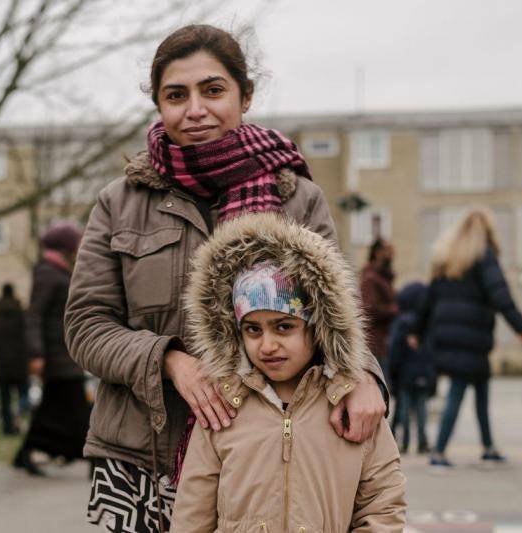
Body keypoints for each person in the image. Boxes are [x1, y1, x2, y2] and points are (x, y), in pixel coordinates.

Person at [64, 25, 389, 532]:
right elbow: (85, 326)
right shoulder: (119, 202)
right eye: (176, 95)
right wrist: (169, 361)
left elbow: (332, 313)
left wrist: (365, 377)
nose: (195, 110)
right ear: (158, 104)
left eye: (212, 90)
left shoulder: (296, 198)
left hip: (261, 459)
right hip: (141, 456)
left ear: (245, 95)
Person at [171, 212, 406, 532]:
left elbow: (383, 505)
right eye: (253, 330)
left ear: (316, 327)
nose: (267, 345)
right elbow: (192, 513)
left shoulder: (352, 406)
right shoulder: (224, 409)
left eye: (284, 327)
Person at [411, 208, 522, 468]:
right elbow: (500, 294)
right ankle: (439, 451)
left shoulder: (447, 258)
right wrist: (520, 326)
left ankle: (488, 446)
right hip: (471, 336)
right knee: (458, 391)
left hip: (450, 335)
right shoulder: (484, 256)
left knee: (481, 389)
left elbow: (429, 299)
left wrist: (417, 331)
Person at [13, 223, 90, 476]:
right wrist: (36, 354)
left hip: (64, 355)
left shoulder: (58, 271)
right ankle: (94, 458)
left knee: (52, 410)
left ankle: (26, 453)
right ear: (65, 248)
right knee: (76, 410)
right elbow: (34, 316)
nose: (78, 249)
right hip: (57, 357)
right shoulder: (48, 273)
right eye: (75, 245)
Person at [388, 282, 436, 455]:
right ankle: (422, 441)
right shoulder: (426, 324)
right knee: (422, 409)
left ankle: (405, 442)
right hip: (422, 373)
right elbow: (432, 353)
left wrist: (393, 373)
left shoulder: (400, 323)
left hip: (404, 375)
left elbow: (393, 351)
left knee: (404, 410)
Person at [0, 283, 29, 436]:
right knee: (23, 394)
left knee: (4, 398)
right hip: (20, 361)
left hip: (1, 361)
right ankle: (19, 418)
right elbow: (30, 334)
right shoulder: (22, 313)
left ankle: (7, 428)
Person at [360, 237, 399, 379]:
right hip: (375, 345)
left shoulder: (382, 277)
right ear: (377, 253)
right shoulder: (371, 278)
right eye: (387, 251)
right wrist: (394, 309)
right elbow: (369, 309)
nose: (391, 255)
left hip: (384, 342)